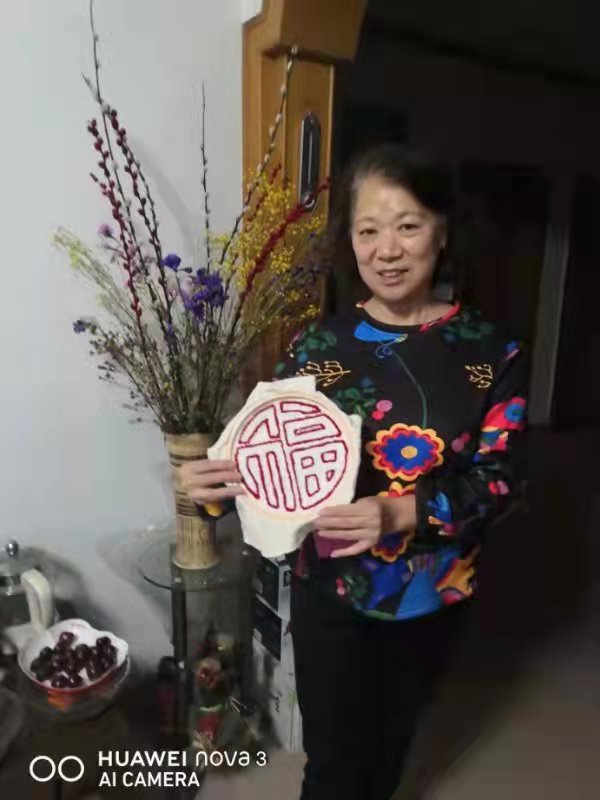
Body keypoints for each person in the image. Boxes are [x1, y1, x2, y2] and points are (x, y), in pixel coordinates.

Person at [180, 143, 528, 800]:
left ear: (442, 230)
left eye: (407, 225)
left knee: (390, 746)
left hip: (431, 593)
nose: (386, 249)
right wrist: (212, 493)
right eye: (368, 231)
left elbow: (503, 481)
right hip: (329, 591)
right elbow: (269, 465)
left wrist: (402, 511)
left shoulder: (491, 351)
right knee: (333, 759)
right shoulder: (316, 346)